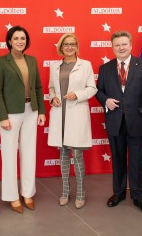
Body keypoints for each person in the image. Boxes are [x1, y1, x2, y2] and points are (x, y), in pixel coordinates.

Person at [95, 31, 142, 217]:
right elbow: (98, 91)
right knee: (118, 158)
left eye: (124, 44)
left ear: (130, 45)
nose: (121, 48)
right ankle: (119, 193)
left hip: (138, 121)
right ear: (112, 47)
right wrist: (105, 100)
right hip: (115, 121)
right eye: (117, 45)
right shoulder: (105, 68)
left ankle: (139, 196)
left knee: (138, 161)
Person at [0, 25, 46, 213]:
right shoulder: (1, 62)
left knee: (29, 153)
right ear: (9, 41)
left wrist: (41, 111)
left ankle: (27, 193)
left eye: (23, 38)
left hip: (31, 111)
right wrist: (3, 116)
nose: (20, 41)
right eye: (16, 38)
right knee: (8, 155)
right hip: (11, 113)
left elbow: (38, 87)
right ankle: (12, 196)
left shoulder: (32, 60)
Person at [47, 33, 97, 209]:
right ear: (61, 47)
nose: (69, 47)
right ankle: (65, 190)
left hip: (76, 112)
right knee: (63, 154)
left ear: (77, 46)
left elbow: (92, 88)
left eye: (72, 44)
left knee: (77, 154)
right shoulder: (54, 66)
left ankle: (81, 191)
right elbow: (51, 88)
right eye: (66, 44)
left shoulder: (86, 65)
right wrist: (53, 98)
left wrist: (78, 94)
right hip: (60, 114)